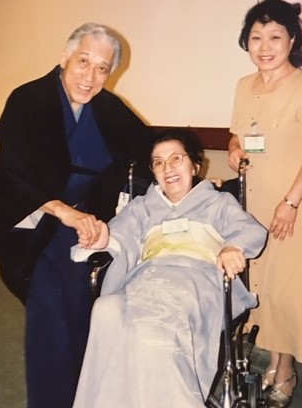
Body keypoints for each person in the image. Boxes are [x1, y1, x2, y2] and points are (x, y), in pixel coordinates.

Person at [0, 22, 153, 408]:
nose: (90, 76)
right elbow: (14, 171)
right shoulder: (28, 100)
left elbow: (148, 145)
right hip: (32, 216)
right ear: (64, 57)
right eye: (83, 61)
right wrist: (64, 212)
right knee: (50, 307)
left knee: (81, 304)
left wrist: (186, 162)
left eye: (102, 68)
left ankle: (85, 393)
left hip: (83, 219)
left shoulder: (107, 108)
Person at [71, 128, 267, 408]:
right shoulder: (142, 207)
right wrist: (105, 240)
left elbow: (250, 230)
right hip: (147, 279)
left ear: (195, 166)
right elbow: (118, 235)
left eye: (176, 158)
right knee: (106, 310)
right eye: (159, 162)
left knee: (146, 329)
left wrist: (232, 247)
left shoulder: (218, 202)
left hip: (196, 281)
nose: (168, 168)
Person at [227, 0, 302, 408]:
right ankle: (271, 358)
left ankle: (284, 370)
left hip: (295, 205)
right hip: (255, 204)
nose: (265, 46)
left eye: (275, 36)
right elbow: (236, 135)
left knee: (289, 289)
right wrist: (234, 149)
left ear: (291, 40)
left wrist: (290, 202)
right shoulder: (243, 86)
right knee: (264, 286)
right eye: (256, 37)